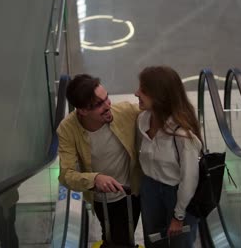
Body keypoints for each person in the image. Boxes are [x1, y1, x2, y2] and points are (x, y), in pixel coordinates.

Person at [57, 74, 142, 247]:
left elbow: (159, 111)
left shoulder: (125, 112)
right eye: (99, 104)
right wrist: (94, 179)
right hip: (101, 199)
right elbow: (66, 175)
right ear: (82, 110)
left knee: (121, 239)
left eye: (107, 98)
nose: (108, 105)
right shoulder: (67, 129)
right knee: (116, 239)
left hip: (132, 192)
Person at [135, 66, 202, 248]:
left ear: (159, 95)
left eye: (143, 90)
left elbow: (189, 179)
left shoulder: (182, 134)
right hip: (150, 189)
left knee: (180, 243)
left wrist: (178, 216)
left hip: (177, 194)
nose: (136, 93)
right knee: (154, 241)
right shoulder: (142, 120)